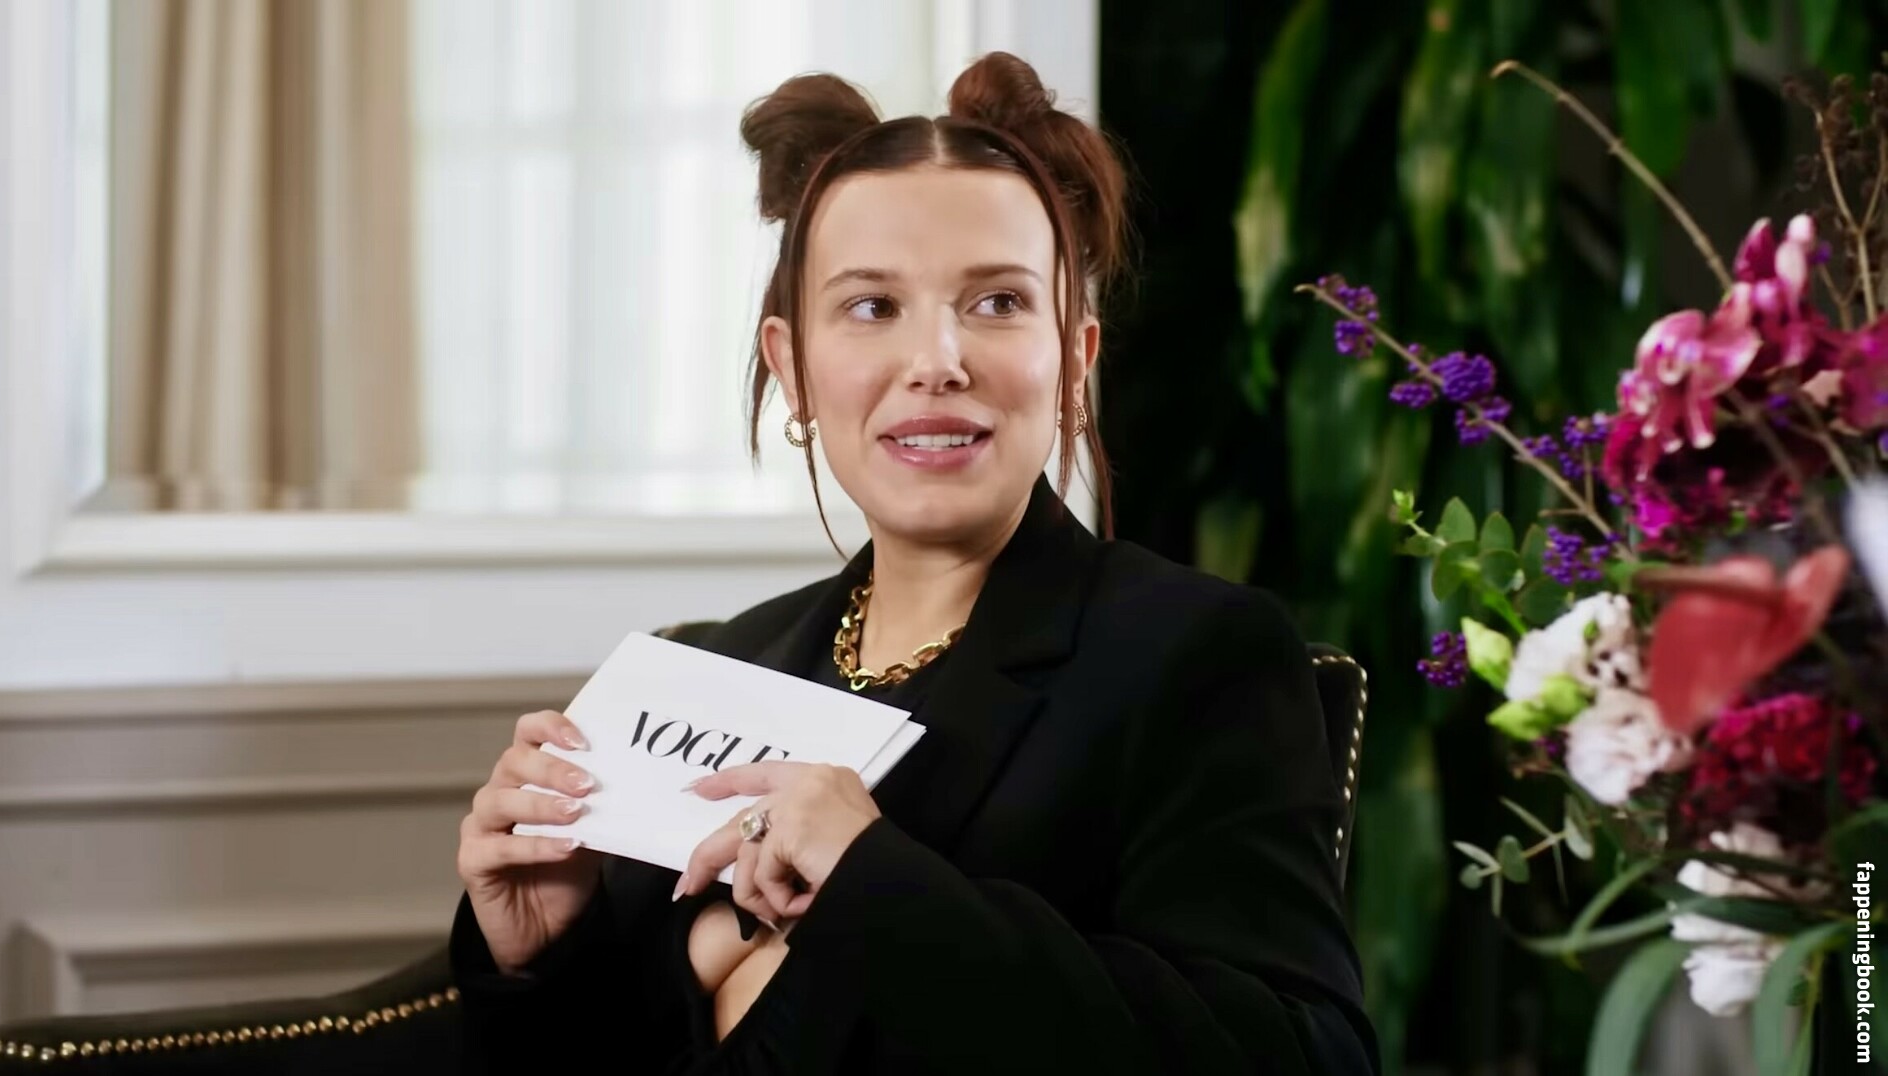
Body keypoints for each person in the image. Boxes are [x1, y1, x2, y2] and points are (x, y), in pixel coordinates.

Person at [449, 51, 1377, 1075]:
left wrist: (874, 881)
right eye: (871, 306)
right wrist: (544, 954)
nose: (937, 360)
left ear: (1075, 359)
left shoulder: (1197, 656)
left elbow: (1307, 1055)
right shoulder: (715, 666)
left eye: (998, 302)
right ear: (792, 366)